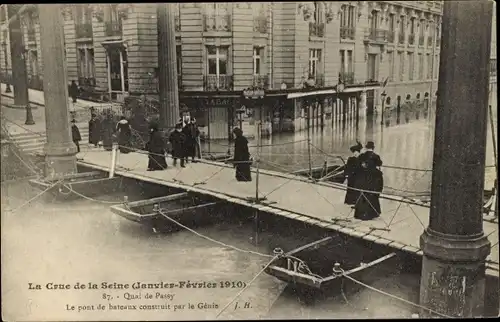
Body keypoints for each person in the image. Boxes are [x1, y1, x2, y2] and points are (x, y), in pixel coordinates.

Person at [354, 141, 384, 220]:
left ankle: (360, 213)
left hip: (363, 177)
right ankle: (372, 213)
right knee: (372, 194)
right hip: (373, 178)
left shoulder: (362, 155)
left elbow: (358, 164)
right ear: (373, 148)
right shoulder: (376, 156)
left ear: (366, 147)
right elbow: (380, 164)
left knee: (363, 193)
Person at [344, 142, 363, 206]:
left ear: (359, 153)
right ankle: (349, 201)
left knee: (357, 189)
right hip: (351, 176)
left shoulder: (361, 160)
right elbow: (347, 167)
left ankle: (356, 202)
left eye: (356, 153)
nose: (355, 154)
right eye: (354, 153)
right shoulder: (350, 159)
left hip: (358, 177)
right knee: (350, 188)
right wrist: (346, 175)